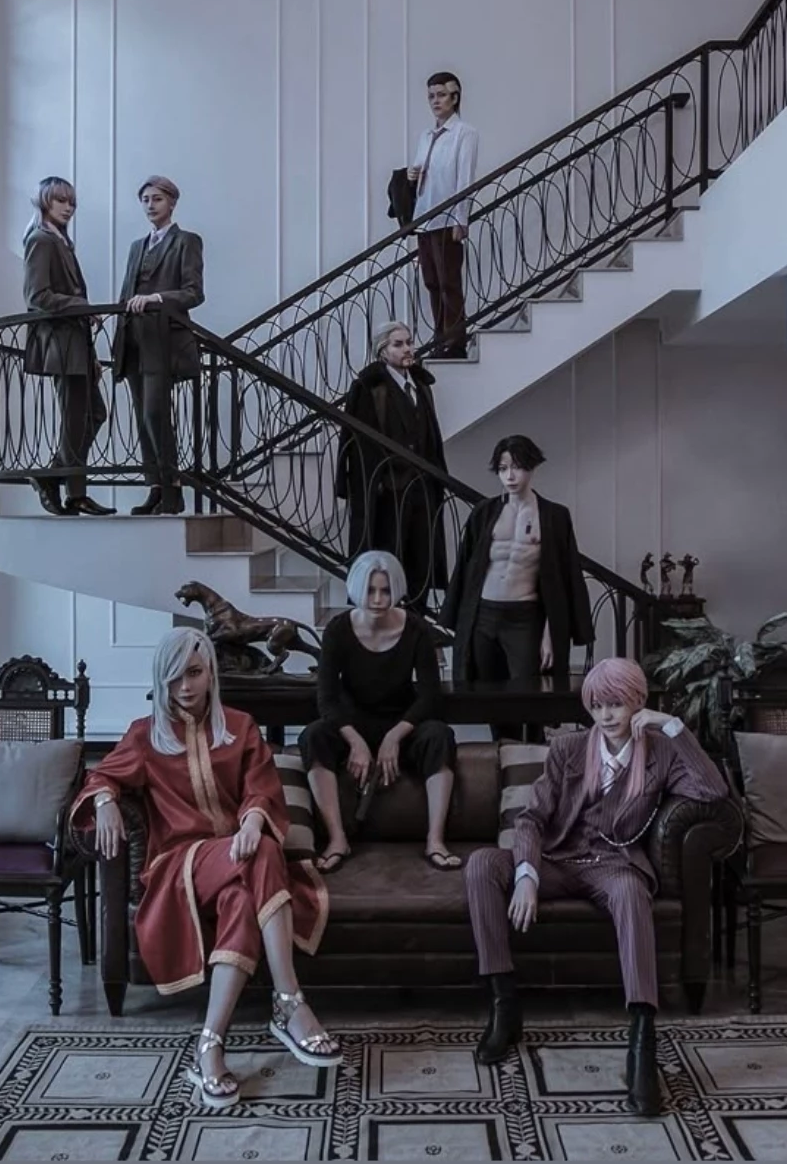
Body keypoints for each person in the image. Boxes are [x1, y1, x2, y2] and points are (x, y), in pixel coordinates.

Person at [72, 626, 340, 1110]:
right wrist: (106, 800)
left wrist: (253, 819)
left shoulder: (241, 727)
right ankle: (289, 1001)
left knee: (241, 900)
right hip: (179, 865)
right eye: (174, 678)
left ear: (212, 672)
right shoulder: (144, 736)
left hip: (235, 860)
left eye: (194, 673)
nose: (185, 687)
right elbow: (100, 776)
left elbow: (261, 788)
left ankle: (209, 1045)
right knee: (263, 854)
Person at [464, 658, 728, 1117]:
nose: (606, 715)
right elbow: (531, 819)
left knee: (631, 894)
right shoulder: (568, 748)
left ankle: (642, 1043)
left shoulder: (661, 753)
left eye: (617, 704)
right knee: (482, 864)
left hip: (614, 865)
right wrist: (526, 875)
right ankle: (505, 1006)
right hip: (558, 861)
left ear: (638, 703)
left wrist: (672, 727)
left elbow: (713, 792)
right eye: (598, 705)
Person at [299, 551, 460, 874]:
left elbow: (430, 696)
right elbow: (327, 698)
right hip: (353, 723)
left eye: (385, 591)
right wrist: (355, 740)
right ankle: (337, 839)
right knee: (313, 735)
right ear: (357, 590)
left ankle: (435, 841)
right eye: (370, 590)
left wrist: (394, 736)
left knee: (440, 735)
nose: (377, 599)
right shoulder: (338, 629)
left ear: (396, 590)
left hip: (401, 722)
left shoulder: (416, 629)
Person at [441, 436, 594, 727]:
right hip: (484, 615)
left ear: (532, 467)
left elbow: (563, 579)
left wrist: (550, 632)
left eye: (517, 467)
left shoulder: (554, 516)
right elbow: (465, 568)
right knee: (489, 697)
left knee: (529, 697)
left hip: (524, 617)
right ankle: (501, 750)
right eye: (503, 468)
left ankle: (530, 752)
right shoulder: (484, 512)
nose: (510, 476)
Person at [334, 321, 448, 609]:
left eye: (409, 342)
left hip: (422, 486)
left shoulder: (421, 384)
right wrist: (376, 482)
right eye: (398, 344)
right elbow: (358, 443)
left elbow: (430, 435)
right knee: (389, 556)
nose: (407, 349)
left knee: (421, 555)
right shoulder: (370, 388)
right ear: (382, 351)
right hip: (389, 490)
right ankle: (390, 613)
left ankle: (418, 615)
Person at [111, 175, 205, 516]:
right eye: (146, 200)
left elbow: (194, 293)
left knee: (155, 413)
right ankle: (155, 487)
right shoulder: (136, 246)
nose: (151, 205)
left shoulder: (187, 241)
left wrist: (157, 298)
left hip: (164, 342)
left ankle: (172, 487)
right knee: (142, 417)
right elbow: (126, 293)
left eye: (157, 199)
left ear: (172, 203)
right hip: (133, 340)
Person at [22, 176, 113, 516]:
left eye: (72, 202)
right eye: (60, 200)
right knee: (76, 418)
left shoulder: (61, 242)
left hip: (76, 344)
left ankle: (53, 477)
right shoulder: (41, 240)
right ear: (44, 201)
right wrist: (82, 307)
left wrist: (91, 354)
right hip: (60, 343)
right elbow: (37, 296)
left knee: (94, 414)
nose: (68, 207)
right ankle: (75, 492)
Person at [407, 72, 479, 359]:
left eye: (441, 95)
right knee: (432, 282)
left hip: (447, 218)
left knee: (449, 280)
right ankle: (440, 338)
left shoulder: (464, 133)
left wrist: (461, 219)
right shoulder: (426, 136)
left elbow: (465, 178)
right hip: (425, 217)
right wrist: (411, 175)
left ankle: (456, 340)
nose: (435, 101)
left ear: (455, 97)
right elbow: (421, 170)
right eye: (431, 96)